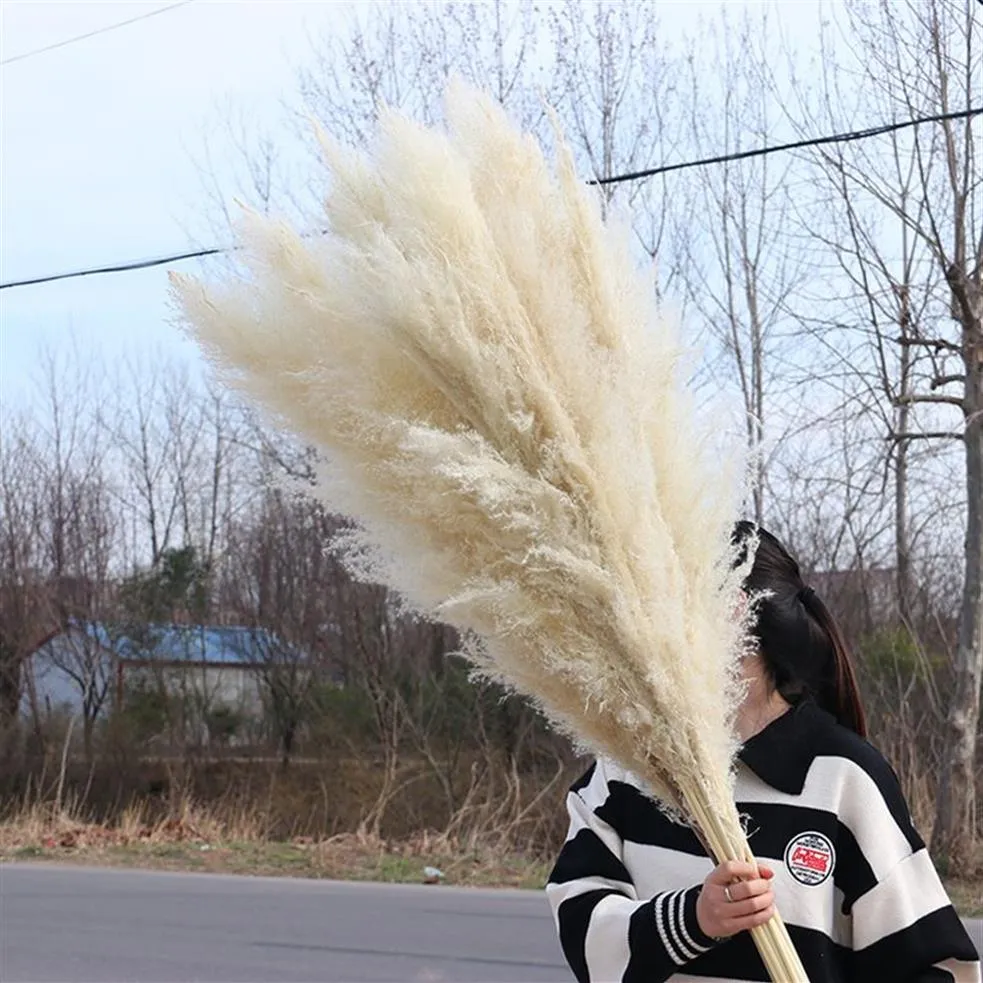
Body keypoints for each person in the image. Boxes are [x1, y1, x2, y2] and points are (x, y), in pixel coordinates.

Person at [546, 522, 981, 983]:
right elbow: (578, 921)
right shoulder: (627, 768)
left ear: (736, 612)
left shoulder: (843, 777)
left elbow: (936, 966)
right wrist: (691, 919)